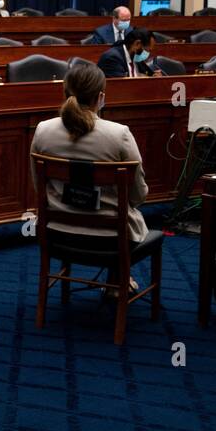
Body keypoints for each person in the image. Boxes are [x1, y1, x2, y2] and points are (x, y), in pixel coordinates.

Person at [30, 63, 148, 296]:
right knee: (126, 214)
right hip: (111, 239)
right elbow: (138, 195)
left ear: (64, 94)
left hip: (57, 232)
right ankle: (117, 280)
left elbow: (38, 185)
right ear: (101, 97)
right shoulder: (119, 134)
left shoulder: (43, 130)